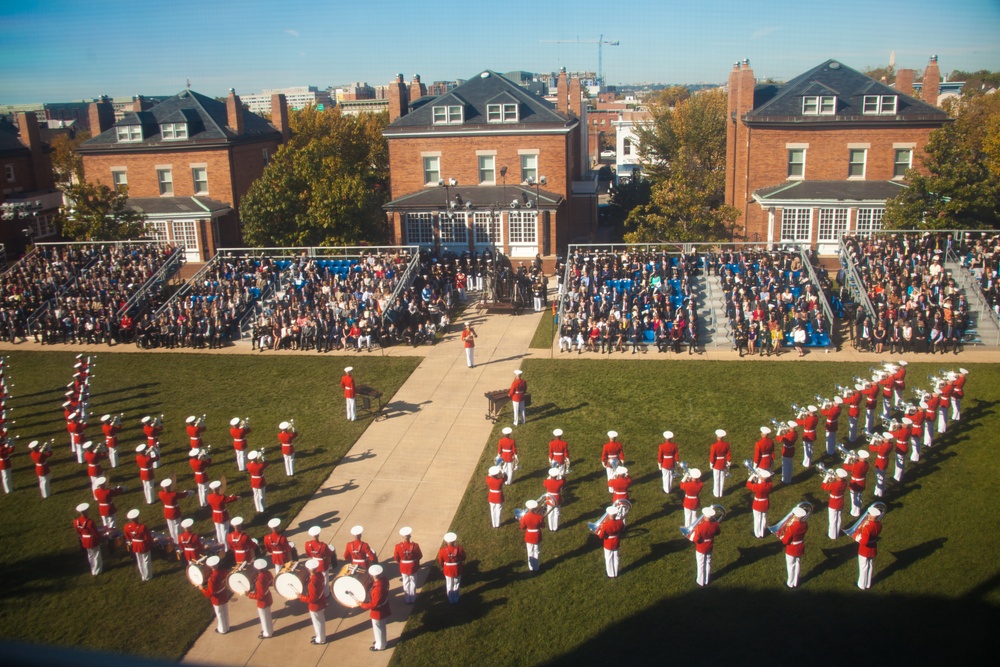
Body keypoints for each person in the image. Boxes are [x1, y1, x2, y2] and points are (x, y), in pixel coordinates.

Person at [357, 563, 391, 651]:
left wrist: (362, 604)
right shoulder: (384, 580)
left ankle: (380, 645)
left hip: (378, 611)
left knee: (378, 628)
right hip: (383, 606)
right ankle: (381, 642)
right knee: (381, 627)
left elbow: (374, 604)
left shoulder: (377, 589)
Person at [778, 506, 809, 588]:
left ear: (795, 516)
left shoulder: (791, 528)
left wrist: (781, 536)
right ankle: (796, 582)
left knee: (791, 566)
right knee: (797, 563)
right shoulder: (805, 525)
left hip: (791, 548)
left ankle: (790, 583)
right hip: (800, 546)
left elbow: (785, 541)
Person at [201, 555, 233, 634]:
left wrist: (201, 588)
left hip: (217, 598)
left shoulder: (212, 579)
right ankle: (227, 626)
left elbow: (209, 593)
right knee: (225, 611)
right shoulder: (223, 571)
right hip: (223, 593)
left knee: (219, 614)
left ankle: (222, 629)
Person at [300, 558, 328, 645]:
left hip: (315, 605)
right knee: (319, 621)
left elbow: (312, 599)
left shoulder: (313, 582)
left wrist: (301, 597)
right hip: (321, 601)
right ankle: (319, 636)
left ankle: (320, 639)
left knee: (318, 622)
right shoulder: (320, 575)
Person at [691, 506, 720, 587]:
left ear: (704, 516)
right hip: (710, 546)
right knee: (708, 562)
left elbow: (696, 539)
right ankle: (707, 580)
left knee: (700, 564)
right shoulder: (715, 525)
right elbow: (718, 532)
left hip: (701, 546)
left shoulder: (700, 527)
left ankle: (700, 581)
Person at [856, 506, 884, 590]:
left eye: (868, 514)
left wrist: (858, 538)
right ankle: (868, 583)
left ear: (871, 516)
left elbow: (864, 541)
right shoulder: (879, 524)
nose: (867, 515)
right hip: (873, 547)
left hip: (865, 549)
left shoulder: (867, 527)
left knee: (863, 567)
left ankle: (861, 585)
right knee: (870, 565)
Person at [393, 527, 422, 604]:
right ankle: (413, 598)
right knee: (413, 582)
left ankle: (407, 598)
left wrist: (401, 562)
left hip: (403, 566)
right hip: (413, 566)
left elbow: (396, 557)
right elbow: (419, 556)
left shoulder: (398, 546)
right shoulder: (415, 546)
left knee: (405, 582)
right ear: (410, 536)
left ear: (402, 537)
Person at [247, 558, 274, 639]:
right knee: (268, 616)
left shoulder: (259, 581)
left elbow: (260, 596)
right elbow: (271, 582)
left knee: (264, 618)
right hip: (268, 596)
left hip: (263, 602)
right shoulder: (268, 573)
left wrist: (249, 594)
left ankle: (267, 633)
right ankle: (269, 631)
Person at [123, 508, 153, 581]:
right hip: (143, 545)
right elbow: (148, 538)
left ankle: (143, 576)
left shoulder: (127, 526)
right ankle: (148, 576)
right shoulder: (142, 527)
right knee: (146, 560)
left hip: (135, 545)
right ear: (137, 517)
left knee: (139, 561)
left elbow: (127, 536)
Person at [595, 506, 625, 578]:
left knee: (608, 558)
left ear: (609, 515)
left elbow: (601, 536)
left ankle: (610, 574)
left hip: (608, 543)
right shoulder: (620, 522)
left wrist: (597, 531)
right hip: (616, 541)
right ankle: (616, 572)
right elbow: (622, 529)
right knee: (616, 557)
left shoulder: (605, 525)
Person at [158, 478, 191, 545]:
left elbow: (167, 493)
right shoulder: (174, 494)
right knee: (177, 526)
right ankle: (177, 541)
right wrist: (187, 492)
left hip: (167, 511)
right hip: (174, 512)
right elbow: (182, 495)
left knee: (171, 526)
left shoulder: (160, 494)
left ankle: (173, 539)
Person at [206, 480, 239, 547]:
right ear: (217, 489)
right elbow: (228, 499)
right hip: (222, 515)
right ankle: (226, 547)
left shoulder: (209, 497)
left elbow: (224, 499)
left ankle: (220, 544)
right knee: (224, 531)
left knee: (218, 530)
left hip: (215, 515)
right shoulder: (221, 497)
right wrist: (236, 497)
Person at [74, 503, 103, 576]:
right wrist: (102, 535)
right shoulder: (90, 522)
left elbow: (78, 532)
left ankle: (93, 569)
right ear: (86, 511)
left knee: (90, 555)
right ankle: (98, 570)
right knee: (96, 555)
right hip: (92, 540)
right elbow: (95, 533)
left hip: (84, 540)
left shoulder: (76, 521)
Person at [437, 532, 466, 603]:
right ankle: (456, 598)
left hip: (448, 569)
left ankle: (450, 598)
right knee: (456, 583)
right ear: (454, 541)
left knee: (449, 584)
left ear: (446, 541)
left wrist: (443, 565)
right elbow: (464, 557)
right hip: (457, 568)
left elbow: (440, 560)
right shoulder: (459, 549)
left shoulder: (442, 550)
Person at [822, 469, 850, 540]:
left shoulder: (835, 485)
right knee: (839, 518)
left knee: (832, 519)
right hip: (840, 501)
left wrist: (826, 478)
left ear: (838, 476)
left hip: (833, 502)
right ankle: (837, 533)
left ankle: (832, 536)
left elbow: (823, 486)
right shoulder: (844, 482)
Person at [519, 499, 545, 572]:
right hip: (537, 535)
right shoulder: (539, 517)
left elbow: (522, 527)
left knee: (530, 551)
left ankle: (531, 567)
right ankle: (536, 567)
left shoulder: (525, 517)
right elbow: (543, 526)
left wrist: (521, 521)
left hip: (529, 535)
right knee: (537, 551)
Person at [746, 469, 773, 539]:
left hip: (757, 504)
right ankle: (762, 533)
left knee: (757, 519)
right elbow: (769, 480)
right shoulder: (770, 485)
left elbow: (748, 484)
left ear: (761, 477)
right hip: (765, 503)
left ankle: (757, 534)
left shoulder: (757, 486)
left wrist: (752, 476)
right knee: (764, 518)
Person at [868, 433, 893, 498]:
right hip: (885, 461)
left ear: (886, 439)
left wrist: (873, 440)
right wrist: (881, 441)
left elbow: (871, 448)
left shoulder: (882, 447)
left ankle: (879, 494)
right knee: (882, 476)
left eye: (884, 438)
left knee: (879, 478)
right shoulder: (890, 444)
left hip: (880, 462)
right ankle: (877, 492)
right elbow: (884, 444)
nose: (883, 438)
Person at [708, 429, 731, 498]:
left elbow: (712, 456)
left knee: (716, 478)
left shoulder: (714, 446)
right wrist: (729, 461)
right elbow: (728, 454)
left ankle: (716, 493)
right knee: (722, 478)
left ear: (717, 437)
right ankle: (721, 493)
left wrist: (711, 464)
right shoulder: (726, 444)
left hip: (716, 463)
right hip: (723, 462)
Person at [848, 450, 870, 517]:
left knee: (854, 498)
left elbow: (845, 466)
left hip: (855, 483)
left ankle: (854, 512)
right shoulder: (866, 464)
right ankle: (858, 511)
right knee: (859, 497)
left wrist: (848, 458)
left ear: (861, 457)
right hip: (862, 482)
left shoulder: (856, 465)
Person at [777, 420, 798, 485]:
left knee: (785, 466)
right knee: (790, 465)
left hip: (786, 450)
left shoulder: (787, 435)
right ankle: (789, 479)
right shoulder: (795, 433)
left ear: (791, 427)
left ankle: (785, 480)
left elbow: (778, 439)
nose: (787, 427)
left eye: (788, 426)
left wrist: (779, 431)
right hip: (792, 450)